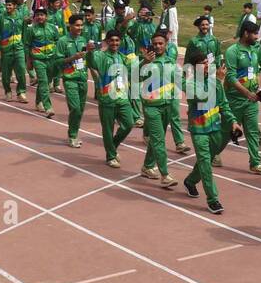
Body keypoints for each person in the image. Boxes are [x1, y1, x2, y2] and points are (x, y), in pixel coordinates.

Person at [224, 20, 261, 176]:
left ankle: (255, 163)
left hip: (252, 99)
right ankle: (214, 154)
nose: (257, 37)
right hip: (235, 99)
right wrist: (246, 93)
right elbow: (230, 77)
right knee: (225, 132)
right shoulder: (232, 51)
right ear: (245, 33)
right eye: (255, 34)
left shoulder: (256, 48)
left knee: (252, 131)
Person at [182, 44, 229, 214]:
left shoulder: (213, 80)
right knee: (205, 163)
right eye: (202, 63)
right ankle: (213, 199)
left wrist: (233, 122)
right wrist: (219, 81)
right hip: (199, 129)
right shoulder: (190, 84)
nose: (207, 65)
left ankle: (190, 181)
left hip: (215, 127)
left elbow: (223, 103)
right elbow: (201, 96)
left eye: (207, 62)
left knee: (206, 161)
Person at [87, 30, 134, 168]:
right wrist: (89, 52)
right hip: (107, 99)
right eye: (112, 40)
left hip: (122, 99)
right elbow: (91, 63)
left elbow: (134, 71)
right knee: (108, 129)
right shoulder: (100, 56)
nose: (114, 43)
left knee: (129, 124)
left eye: (117, 40)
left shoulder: (123, 57)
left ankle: (112, 146)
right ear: (107, 42)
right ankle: (110, 156)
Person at [138, 33, 180, 188]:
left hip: (167, 105)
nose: (157, 46)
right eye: (155, 44)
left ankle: (147, 167)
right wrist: (144, 63)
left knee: (156, 140)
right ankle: (165, 175)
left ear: (166, 44)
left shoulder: (170, 61)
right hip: (151, 107)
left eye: (160, 43)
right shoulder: (147, 61)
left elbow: (179, 81)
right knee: (159, 140)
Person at [54, 13, 92, 148]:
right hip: (70, 79)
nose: (79, 27)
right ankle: (72, 135)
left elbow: (86, 59)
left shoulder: (83, 40)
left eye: (81, 25)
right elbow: (58, 61)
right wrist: (73, 57)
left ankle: (74, 132)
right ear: (70, 26)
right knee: (75, 108)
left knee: (80, 110)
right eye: (77, 25)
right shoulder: (63, 41)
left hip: (82, 78)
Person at [24, 4, 62, 117]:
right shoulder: (31, 30)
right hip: (38, 60)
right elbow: (27, 46)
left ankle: (38, 102)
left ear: (46, 16)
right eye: (38, 15)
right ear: (35, 17)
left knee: (45, 82)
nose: (40, 17)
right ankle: (48, 107)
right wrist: (29, 61)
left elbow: (58, 42)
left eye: (42, 15)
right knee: (44, 83)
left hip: (51, 59)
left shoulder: (52, 28)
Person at [0, 0, 29, 103]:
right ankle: (8, 92)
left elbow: (24, 32)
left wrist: (25, 47)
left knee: (21, 72)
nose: (8, 7)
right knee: (6, 74)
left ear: (15, 6)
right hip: (6, 50)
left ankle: (21, 93)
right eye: (7, 5)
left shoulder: (20, 17)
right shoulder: (1, 17)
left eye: (10, 5)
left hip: (19, 49)